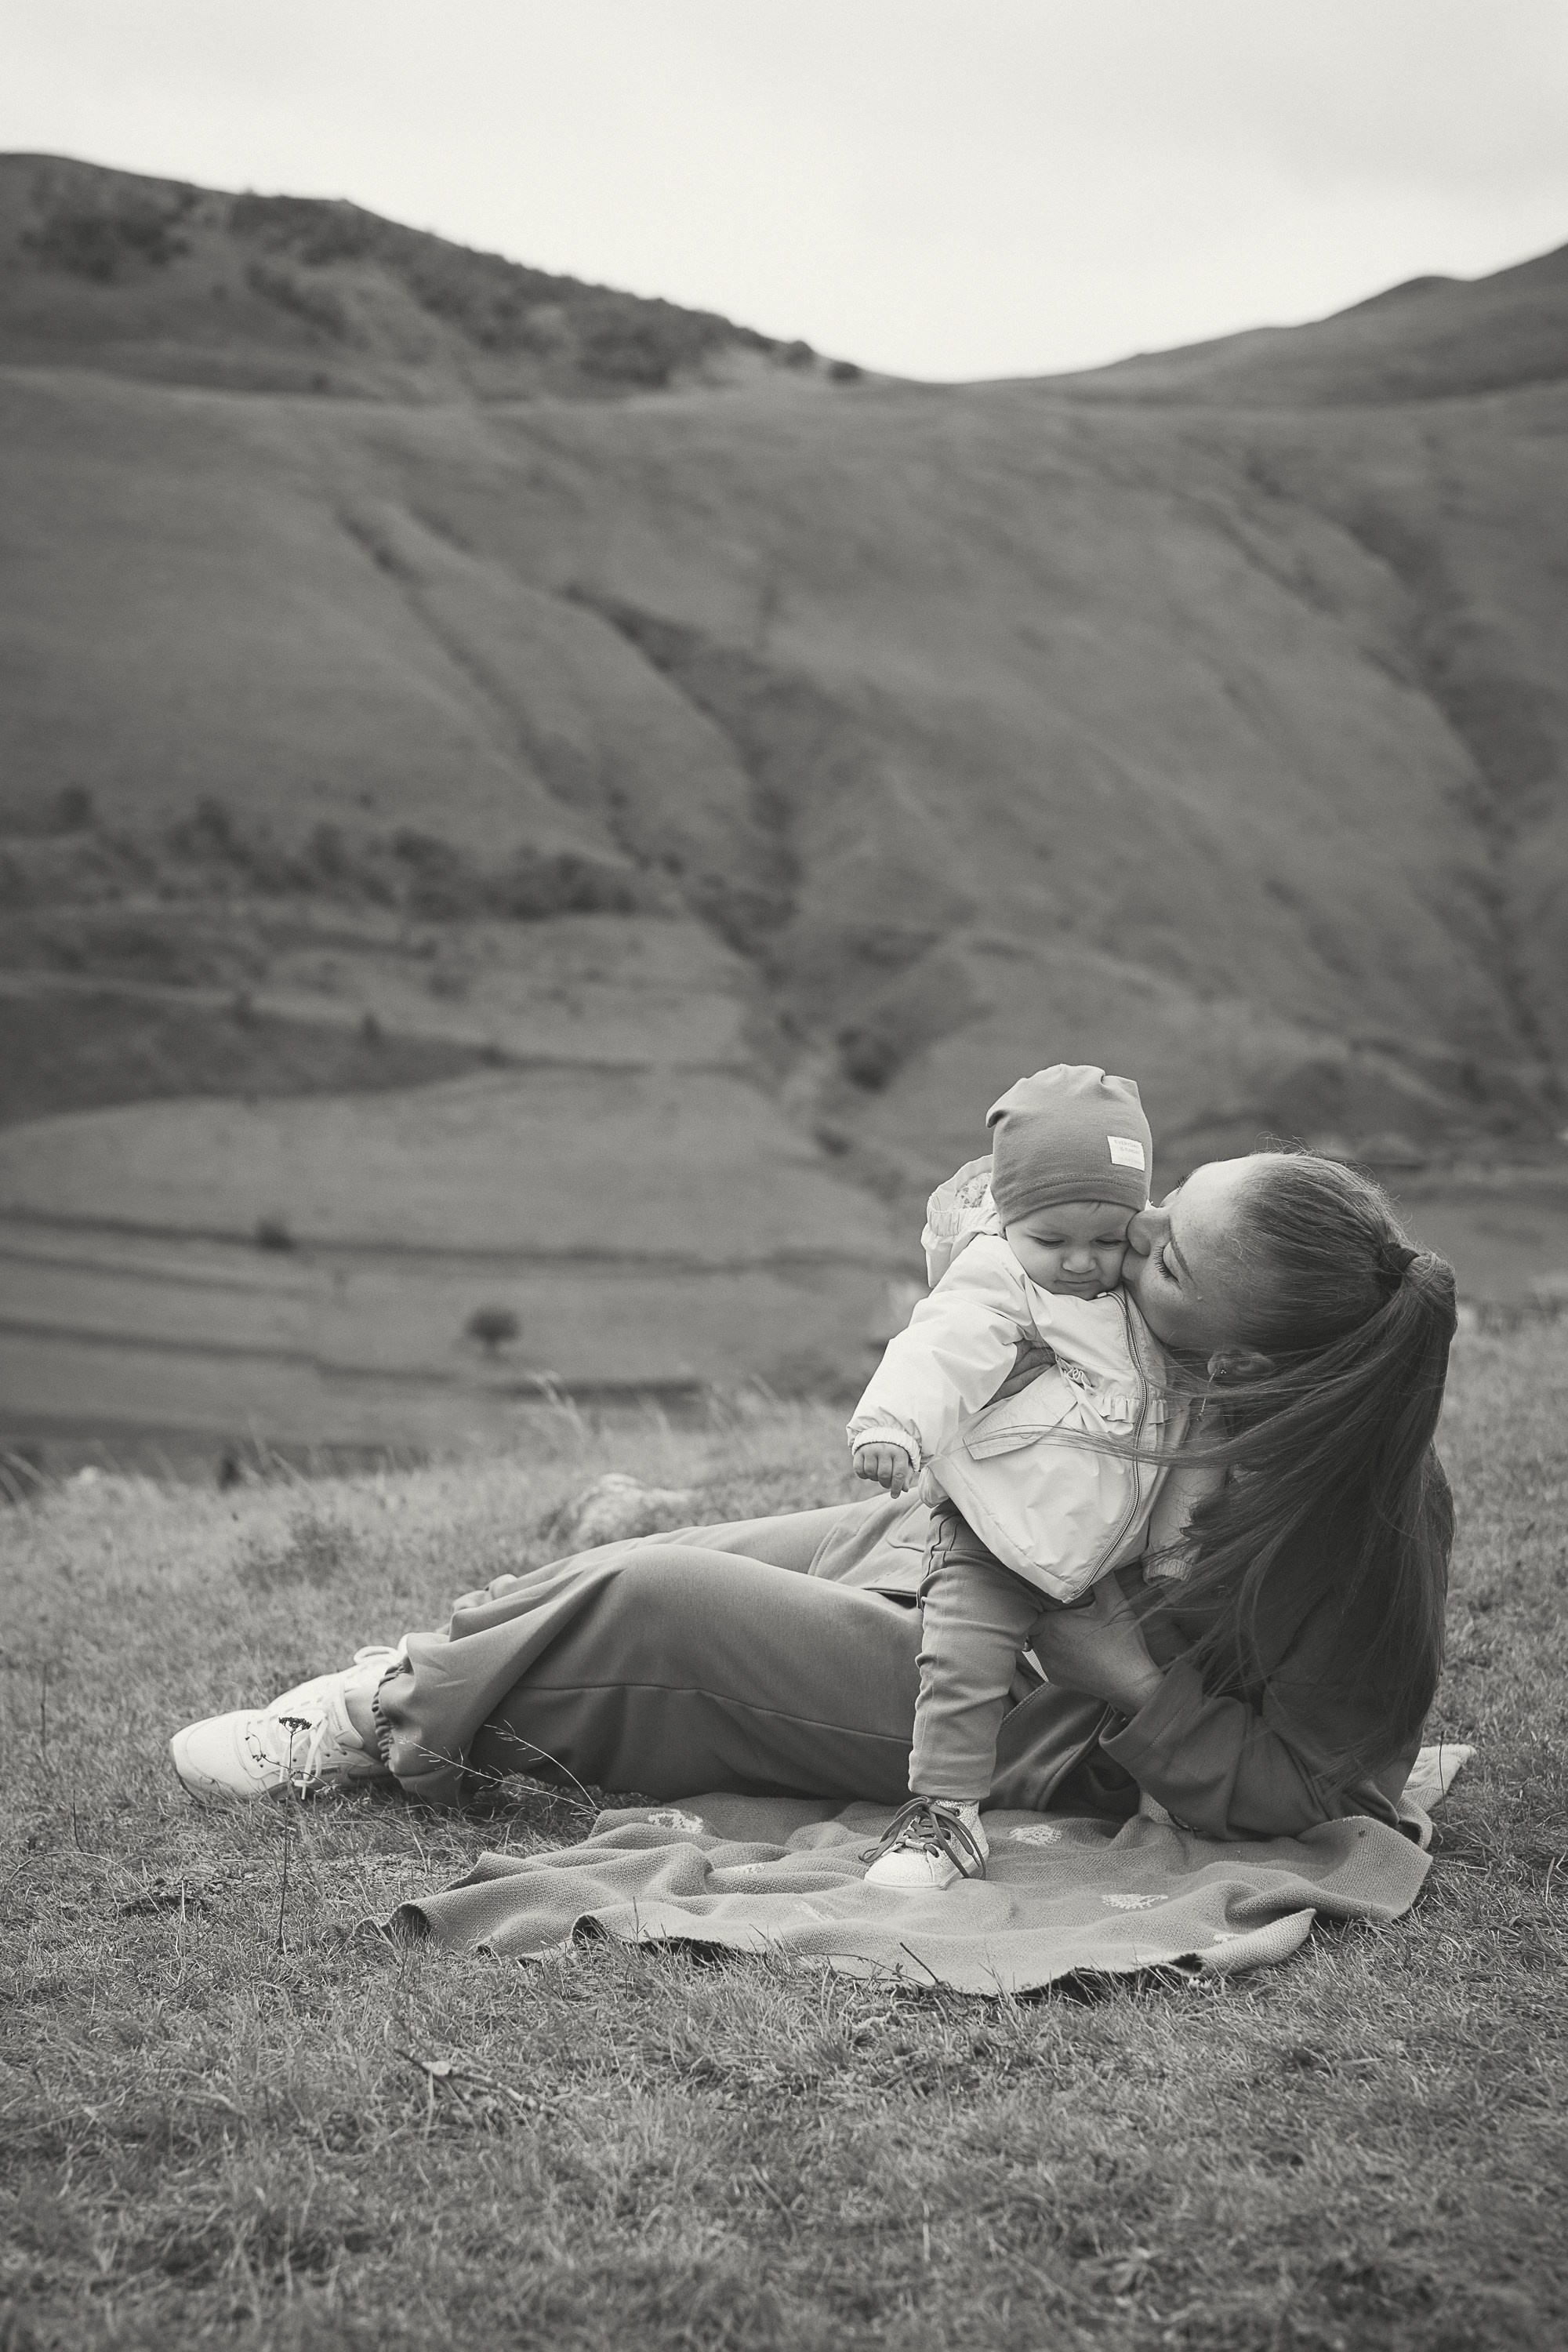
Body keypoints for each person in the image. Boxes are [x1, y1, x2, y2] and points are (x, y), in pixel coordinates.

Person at [169, 1151, 1457, 1861]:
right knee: (680, 1545)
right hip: (1001, 1582)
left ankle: (377, 1724)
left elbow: (1318, 1790)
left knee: (660, 1605)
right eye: (1174, 1199)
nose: (1140, 1229)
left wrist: (1125, 1677)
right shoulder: (1172, 1367)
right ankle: (429, 1665)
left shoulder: (1353, 1530)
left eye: (1167, 1251)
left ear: (1242, 1360)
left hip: (1055, 1717)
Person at [847, 1066, 1208, 1890]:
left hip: (1107, 1541)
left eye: (1105, 1239)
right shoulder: (996, 1277)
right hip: (991, 1532)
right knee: (961, 1665)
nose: (1080, 1262)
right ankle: (945, 1816)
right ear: (1009, 1219)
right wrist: (892, 1426)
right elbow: (943, 1348)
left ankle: (1168, 1788)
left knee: (1162, 1649)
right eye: (1052, 1240)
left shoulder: (1142, 1287)